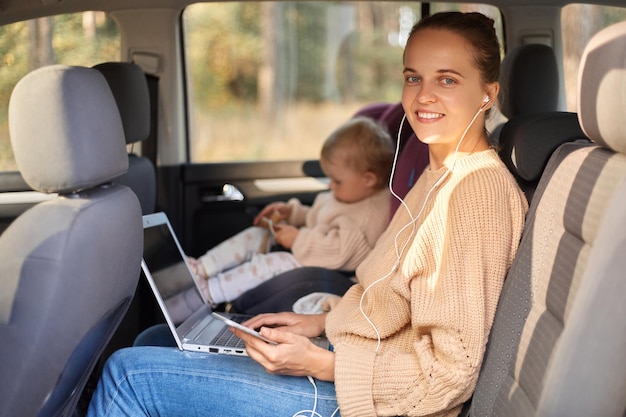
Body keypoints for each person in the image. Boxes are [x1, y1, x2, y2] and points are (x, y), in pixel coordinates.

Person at [87, 11, 528, 417]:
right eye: (413, 78)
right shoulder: (438, 173)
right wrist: (319, 324)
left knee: (128, 374)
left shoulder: (476, 195)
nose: (423, 95)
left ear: (488, 93)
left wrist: (321, 362)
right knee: (155, 341)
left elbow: (451, 372)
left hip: (367, 399)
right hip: (354, 360)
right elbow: (387, 305)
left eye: (447, 80)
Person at [165, 116, 394, 322]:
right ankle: (201, 267)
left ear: (369, 179)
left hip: (337, 270)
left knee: (275, 263)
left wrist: (297, 239)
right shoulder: (349, 193)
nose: (331, 186)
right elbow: (319, 217)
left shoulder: (371, 212)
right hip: (315, 254)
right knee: (259, 234)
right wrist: (292, 213)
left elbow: (341, 252)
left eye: (337, 181)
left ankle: (209, 293)